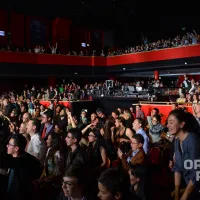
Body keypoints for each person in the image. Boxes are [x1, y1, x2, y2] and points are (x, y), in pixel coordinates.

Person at [167, 110, 200, 200]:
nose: (168, 125)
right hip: (188, 185)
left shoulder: (192, 141)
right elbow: (177, 168)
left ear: (182, 124)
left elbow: (196, 173)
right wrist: (177, 194)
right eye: (167, 122)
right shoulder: (177, 140)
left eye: (171, 122)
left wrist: (184, 196)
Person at [6, 134, 41, 200]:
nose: (7, 146)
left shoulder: (22, 163)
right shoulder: (18, 159)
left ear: (16, 148)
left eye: (9, 144)